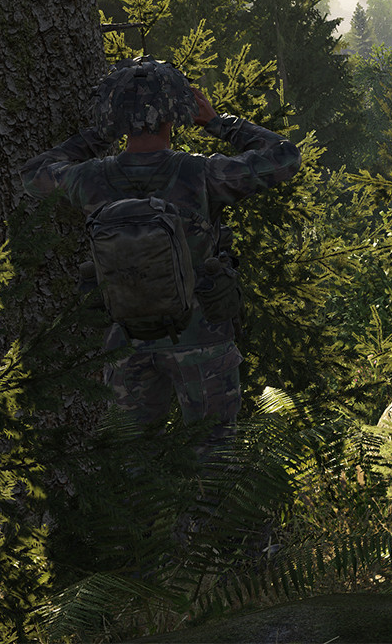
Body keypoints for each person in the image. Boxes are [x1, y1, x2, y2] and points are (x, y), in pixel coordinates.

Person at [21, 56, 300, 445]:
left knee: (133, 469)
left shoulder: (89, 178)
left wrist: (100, 134)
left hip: (126, 342)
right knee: (216, 459)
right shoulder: (201, 174)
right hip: (201, 340)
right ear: (176, 114)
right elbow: (285, 157)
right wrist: (218, 123)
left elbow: (33, 175)